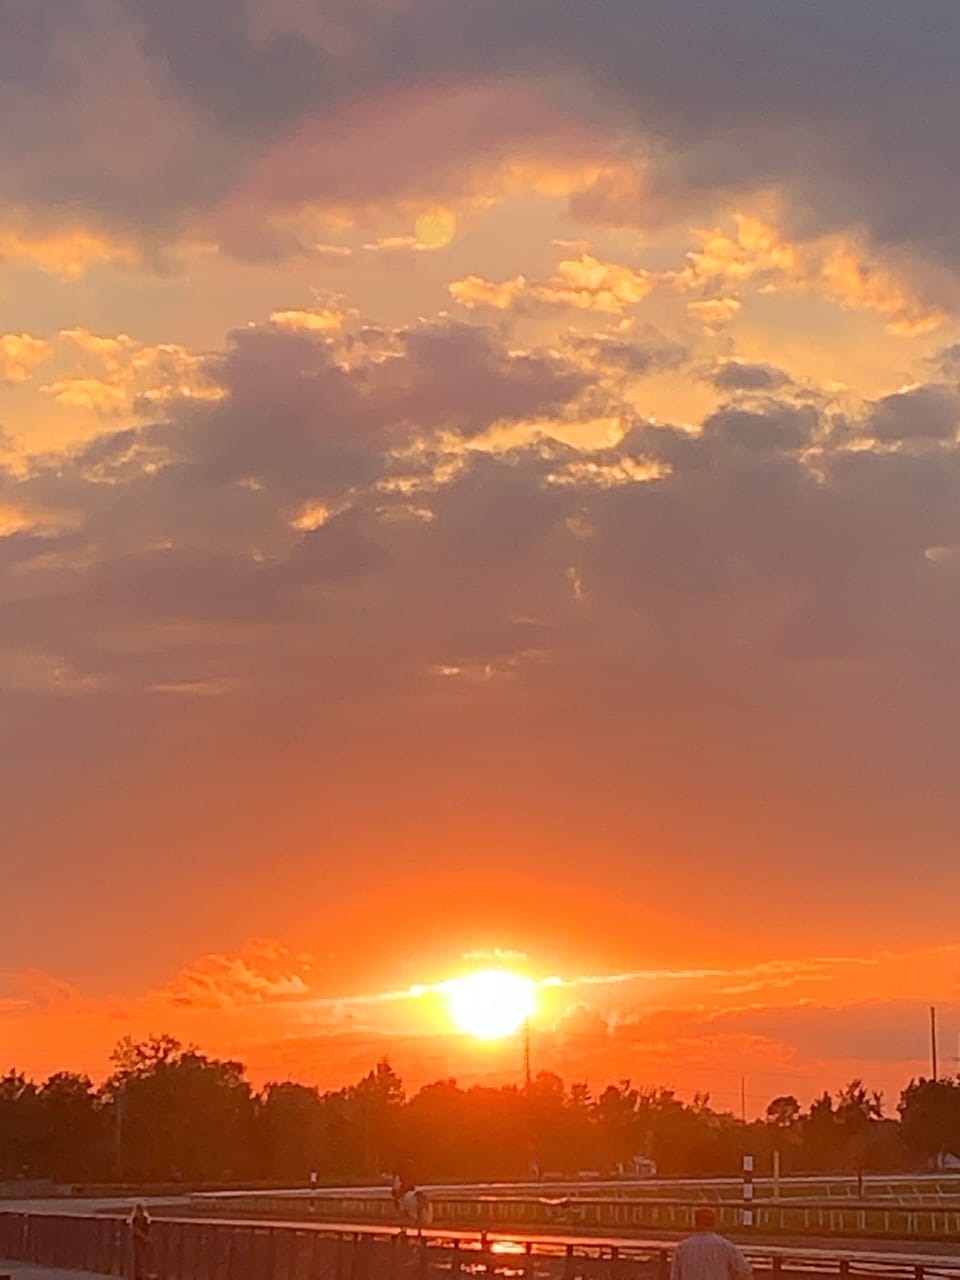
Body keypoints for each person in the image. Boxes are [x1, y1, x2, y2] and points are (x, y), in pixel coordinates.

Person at [670, 1208, 751, 1280]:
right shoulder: (726, 1246)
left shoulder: (682, 1248)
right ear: (713, 1223)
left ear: (696, 1223)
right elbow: (745, 1271)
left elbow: (675, 1276)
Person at [128, 1203, 151, 1280]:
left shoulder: (144, 1219)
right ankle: (138, 1275)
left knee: (142, 1258)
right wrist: (144, 1237)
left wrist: (146, 1237)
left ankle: (141, 1274)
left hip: (143, 1240)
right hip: (137, 1240)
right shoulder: (135, 1219)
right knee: (138, 1257)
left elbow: (147, 1228)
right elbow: (135, 1230)